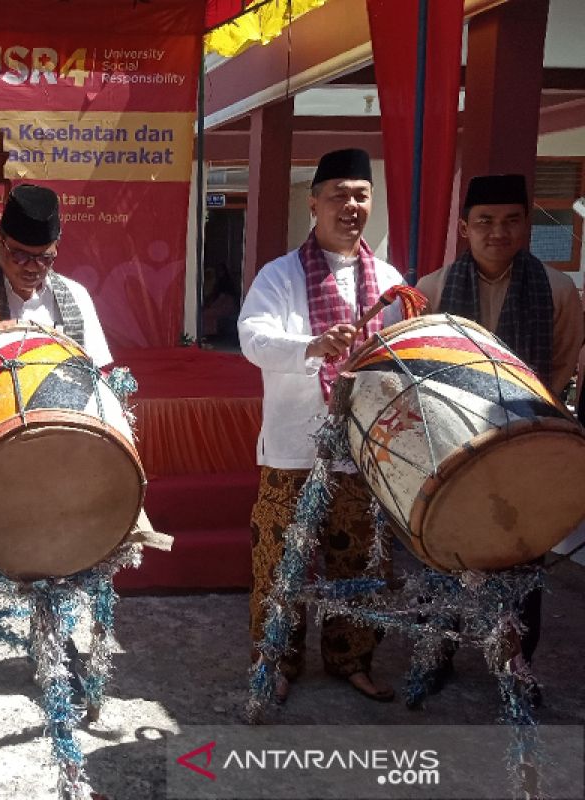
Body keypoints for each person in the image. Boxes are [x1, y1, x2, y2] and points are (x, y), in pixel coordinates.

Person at [0, 183, 162, 717]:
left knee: (62, 552)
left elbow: (97, 374)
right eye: (20, 255)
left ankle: (55, 651)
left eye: (44, 258)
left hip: (57, 452)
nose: (32, 268)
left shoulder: (72, 297)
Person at [238, 148, 405, 705]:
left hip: (362, 451)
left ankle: (351, 660)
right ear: (313, 204)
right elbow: (252, 337)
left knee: (358, 560)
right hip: (292, 448)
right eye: (338, 194)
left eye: (361, 194)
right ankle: (278, 660)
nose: (350, 206)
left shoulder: (387, 281)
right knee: (279, 562)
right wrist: (311, 345)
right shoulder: (280, 275)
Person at [416, 174, 584, 698]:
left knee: (521, 552)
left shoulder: (557, 290)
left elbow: (558, 370)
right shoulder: (432, 289)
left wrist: (520, 430)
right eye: (485, 222)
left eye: (512, 220)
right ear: (464, 228)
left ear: (526, 226)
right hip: (447, 446)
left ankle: (515, 665)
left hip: (524, 444)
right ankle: (435, 652)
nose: (498, 232)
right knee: (440, 551)